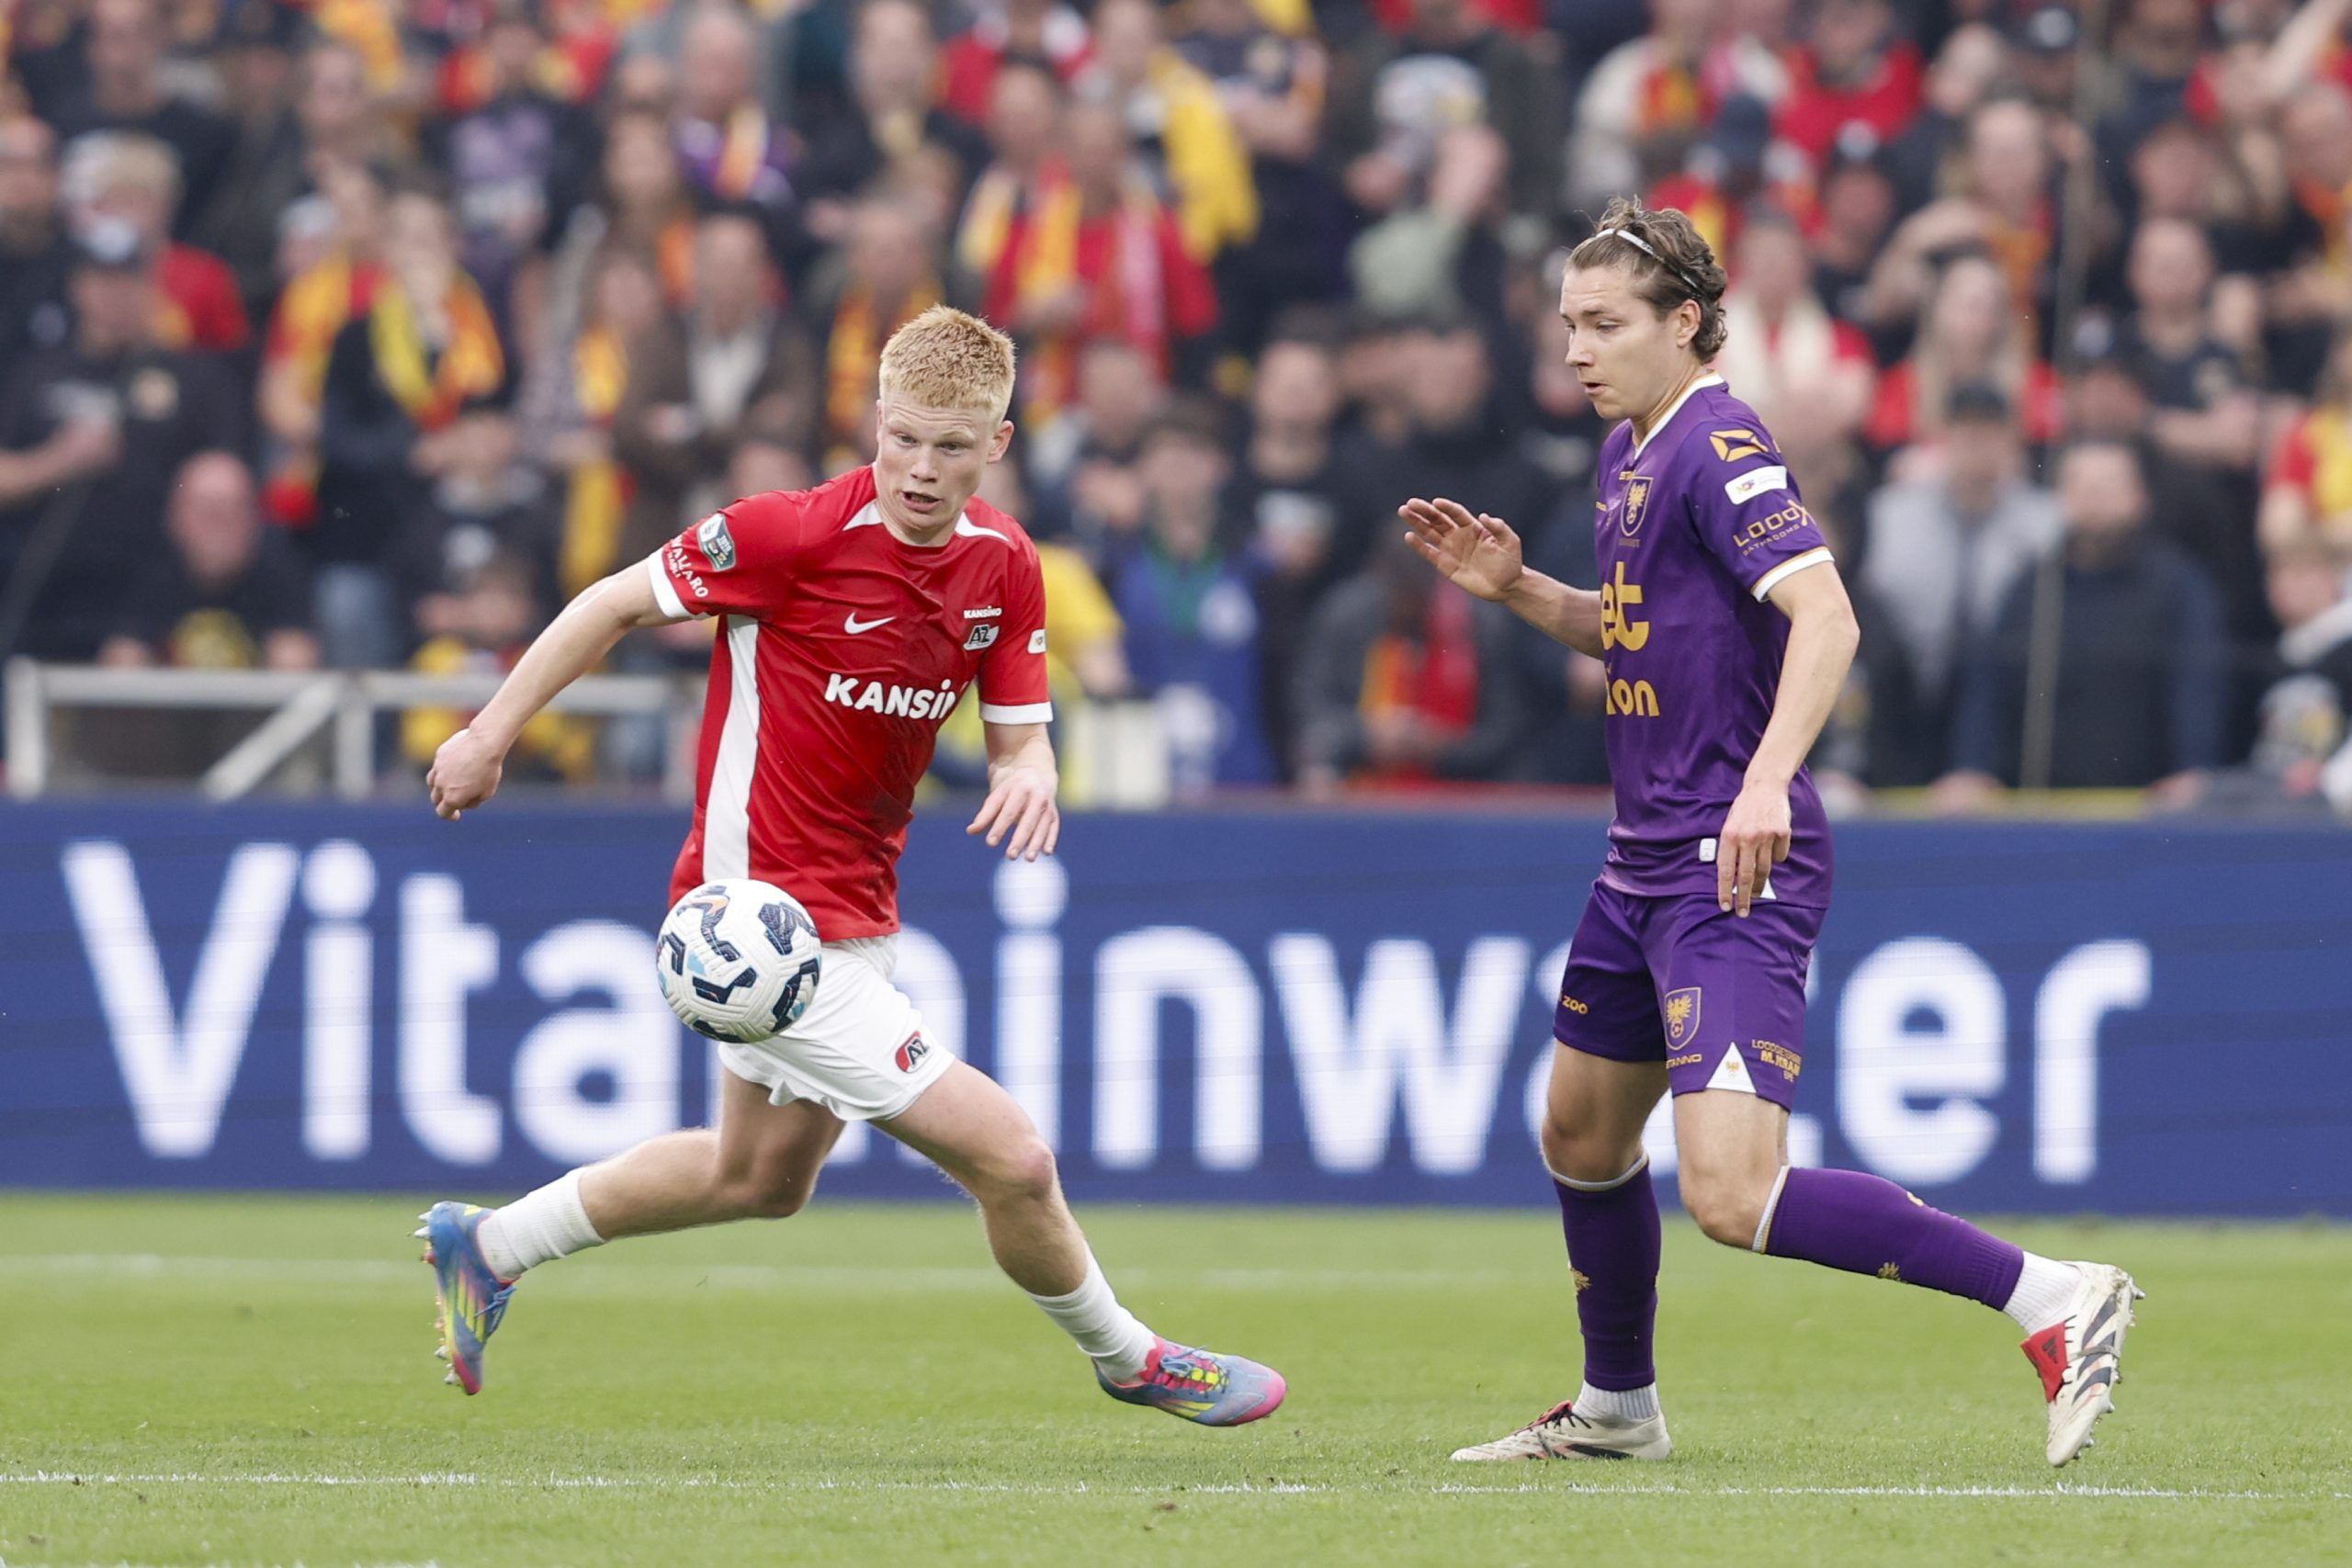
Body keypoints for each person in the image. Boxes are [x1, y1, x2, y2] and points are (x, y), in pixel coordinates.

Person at [413, 305, 1285, 1426]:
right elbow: (611, 603)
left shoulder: (1004, 566)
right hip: (752, 932)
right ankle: (1131, 1357)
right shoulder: (785, 535)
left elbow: (1020, 730)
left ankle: (486, 1246)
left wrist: (1034, 772)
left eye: (954, 446)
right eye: (905, 439)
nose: (922, 470)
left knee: (758, 1180)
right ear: (875, 422)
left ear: (998, 445)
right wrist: (489, 733)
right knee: (1013, 1159)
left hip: (857, 914)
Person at [1396, 198, 2139, 1470]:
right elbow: (1638, 631)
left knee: (1732, 1194)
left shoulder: (1718, 437)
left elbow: (1827, 615)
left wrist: (1765, 781)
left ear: (1687, 321)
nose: (1578, 347)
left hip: (1730, 863)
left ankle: (2055, 1295)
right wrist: (1518, 589)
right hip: (1644, 856)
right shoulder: (1631, 446)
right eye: (1569, 323)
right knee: (1579, 1131)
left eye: (1606, 322)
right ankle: (1618, 1405)